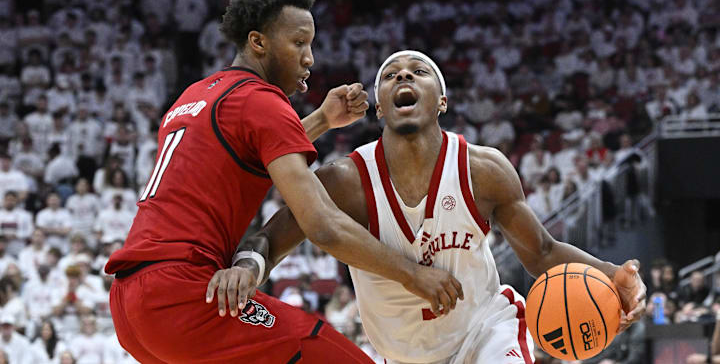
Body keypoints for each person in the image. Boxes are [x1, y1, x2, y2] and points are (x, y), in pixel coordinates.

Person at [210, 50, 648, 364]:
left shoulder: (483, 170)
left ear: (441, 100)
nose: (404, 76)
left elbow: (544, 252)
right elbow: (270, 237)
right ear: (380, 108)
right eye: (390, 75)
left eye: (419, 71)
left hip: (484, 333)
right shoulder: (345, 181)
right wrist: (247, 268)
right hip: (400, 353)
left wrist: (612, 275)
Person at [105, 0, 462, 364]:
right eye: (299, 43)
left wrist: (323, 119)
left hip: (130, 304)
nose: (309, 58)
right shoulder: (261, 101)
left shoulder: (196, 95)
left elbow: (250, 155)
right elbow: (322, 226)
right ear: (258, 42)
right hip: (182, 293)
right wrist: (413, 275)